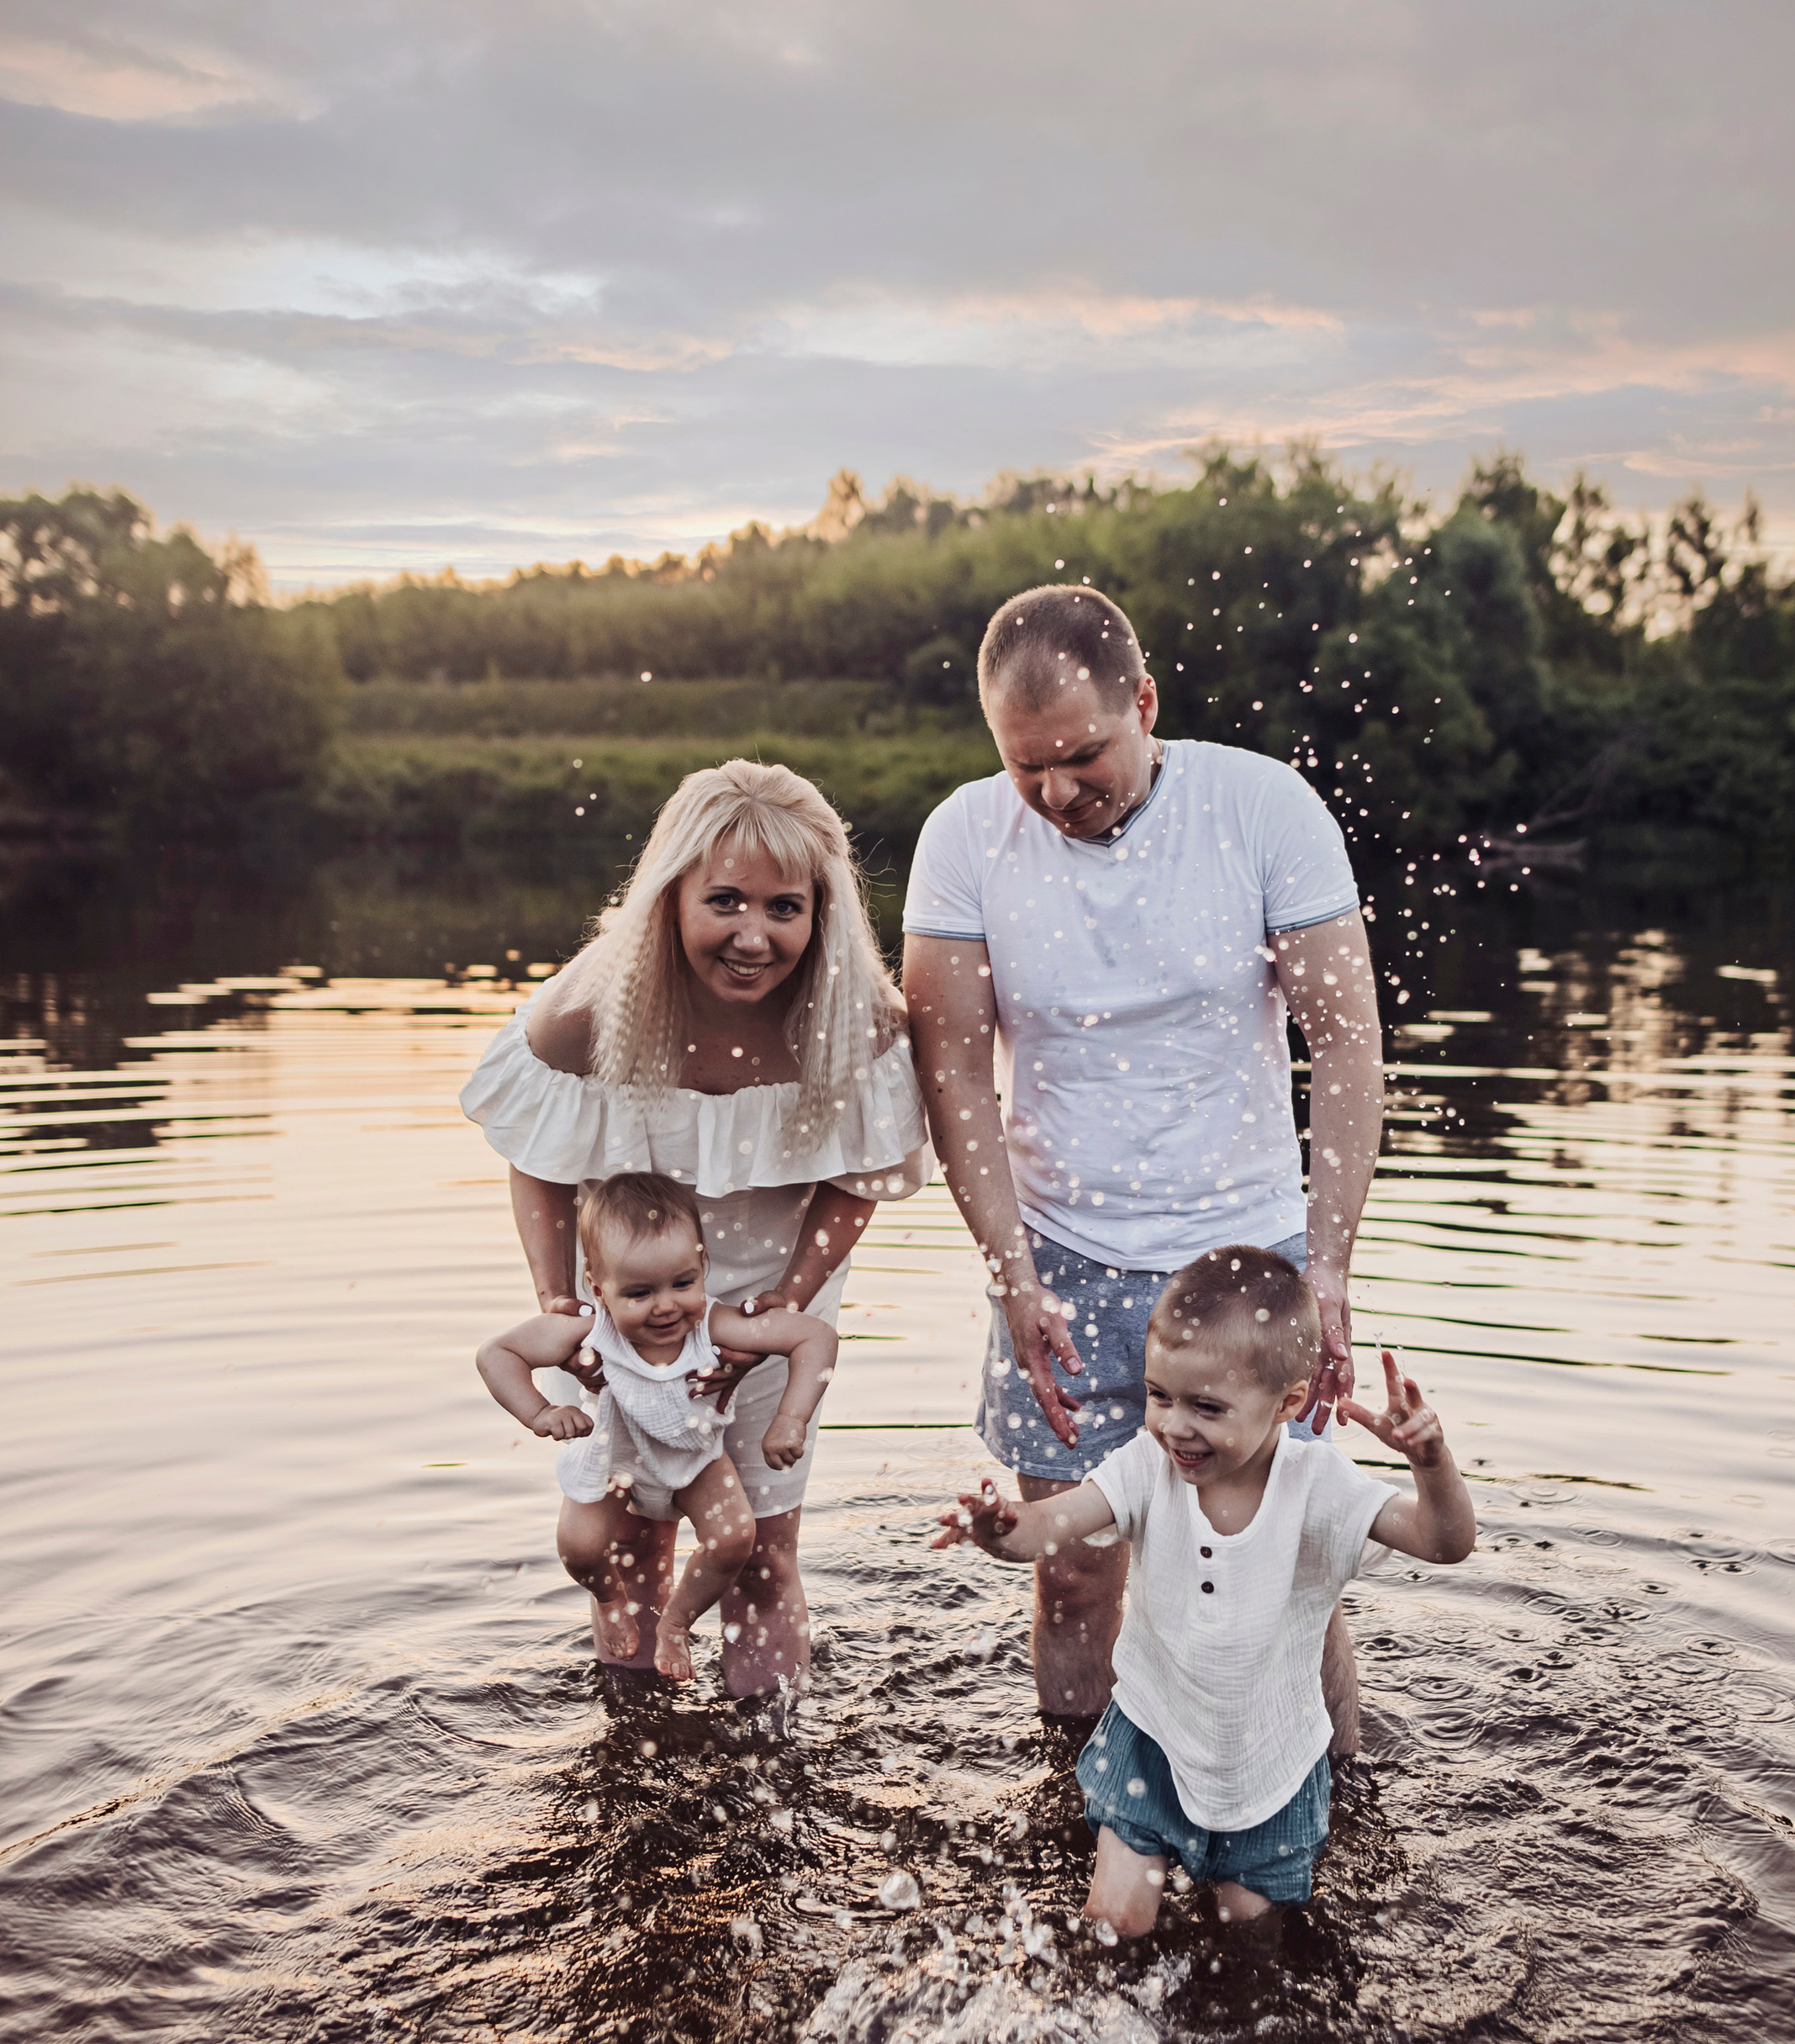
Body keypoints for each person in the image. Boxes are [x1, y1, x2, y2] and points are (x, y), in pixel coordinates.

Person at [902, 584, 1386, 1735]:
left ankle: (1336, 1812)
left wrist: (1326, 1267)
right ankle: (1085, 1819)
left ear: (1145, 705)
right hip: (1062, 1262)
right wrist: (1011, 1272)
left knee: (1286, 1584)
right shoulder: (964, 838)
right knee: (1072, 1573)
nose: (1058, 792)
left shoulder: (1264, 809)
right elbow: (957, 1076)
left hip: (1248, 1259)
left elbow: (1349, 1043)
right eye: (1029, 768)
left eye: (1081, 756)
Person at [460, 761, 932, 1687]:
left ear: (820, 911)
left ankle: (768, 1761)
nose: (753, 937)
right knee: (624, 1552)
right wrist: (563, 1302)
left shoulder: (858, 1016)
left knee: (758, 1547)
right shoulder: (587, 1012)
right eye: (724, 902)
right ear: (671, 896)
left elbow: (862, 1176)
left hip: (772, 1292)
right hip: (636, 1298)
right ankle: (639, 1745)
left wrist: (781, 1306)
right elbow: (539, 1158)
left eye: (784, 909)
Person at [933, 1249, 1474, 1931]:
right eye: (1160, 1396)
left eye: (1207, 1407)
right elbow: (1047, 1527)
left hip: (1269, 1764)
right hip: (1152, 1737)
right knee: (1112, 1928)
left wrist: (1433, 1465)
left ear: (1289, 1403)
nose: (1174, 1425)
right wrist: (999, 1528)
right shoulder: (1145, 1468)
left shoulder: (1320, 1488)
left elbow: (1445, 1542)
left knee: (1252, 1944)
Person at [478, 1171, 841, 1683]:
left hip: (696, 1461)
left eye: (682, 1283)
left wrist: (790, 1417)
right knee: (579, 1548)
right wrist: (539, 1412)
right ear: (599, 1290)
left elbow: (816, 1338)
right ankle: (610, 1597)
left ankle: (676, 1621)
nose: (667, 1305)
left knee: (736, 1538)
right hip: (613, 1460)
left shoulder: (715, 1323)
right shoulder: (589, 1328)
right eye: (640, 1292)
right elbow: (497, 1353)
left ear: (703, 1267)